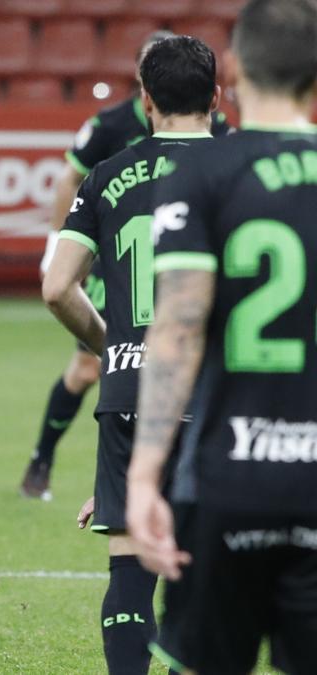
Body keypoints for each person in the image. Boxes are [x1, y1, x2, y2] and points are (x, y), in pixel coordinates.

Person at [127, 1, 317, 673]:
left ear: (231, 71)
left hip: (225, 482)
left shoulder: (202, 174)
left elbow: (177, 326)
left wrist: (144, 474)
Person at [43, 35, 219, 675]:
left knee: (129, 565)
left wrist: (110, 344)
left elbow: (56, 287)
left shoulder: (108, 176)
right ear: (216, 97)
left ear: (145, 101)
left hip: (127, 390)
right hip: (212, 390)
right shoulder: (241, 167)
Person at [20, 30, 232, 500]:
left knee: (99, 372)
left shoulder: (124, 166)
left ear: (148, 89)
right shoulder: (114, 126)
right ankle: (41, 459)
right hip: (124, 275)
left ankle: (117, 485)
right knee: (82, 371)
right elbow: (68, 177)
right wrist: (57, 242)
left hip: (133, 371)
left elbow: (58, 283)